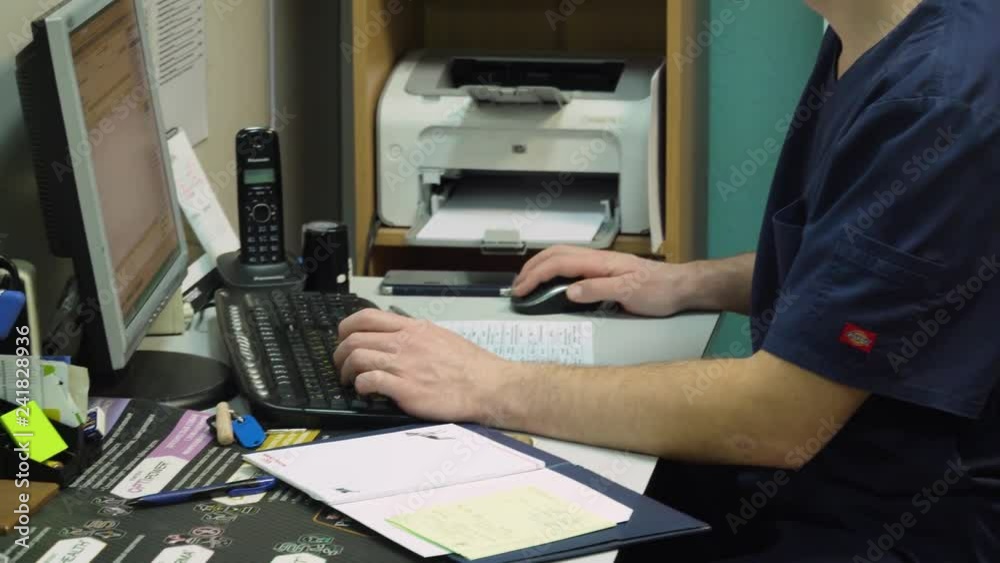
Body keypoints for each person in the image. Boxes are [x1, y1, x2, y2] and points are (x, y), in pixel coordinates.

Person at [335, 0, 1000, 560]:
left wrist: (491, 384)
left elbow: (782, 416)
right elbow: (846, 272)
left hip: (899, 518)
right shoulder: (864, 33)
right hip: (821, 476)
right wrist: (685, 283)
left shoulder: (939, 98)